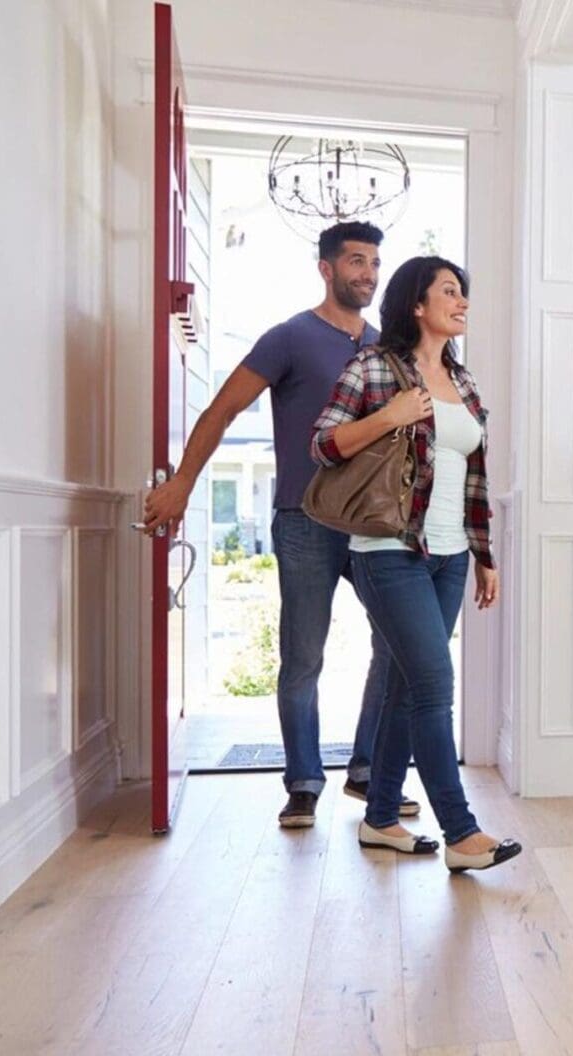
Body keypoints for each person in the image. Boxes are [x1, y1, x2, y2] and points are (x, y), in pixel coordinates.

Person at [142, 220, 419, 829]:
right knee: (302, 656)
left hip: (375, 526)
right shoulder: (289, 338)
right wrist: (183, 482)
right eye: (355, 261)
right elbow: (220, 410)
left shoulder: (384, 348)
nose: (367, 274)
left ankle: (369, 770)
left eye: (374, 263)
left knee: (397, 646)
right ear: (327, 268)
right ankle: (302, 782)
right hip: (305, 519)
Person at [310, 255, 521, 872]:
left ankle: (379, 820)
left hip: (451, 556)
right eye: (450, 292)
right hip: (389, 552)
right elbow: (321, 443)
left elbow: (475, 477)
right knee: (433, 687)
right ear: (417, 305)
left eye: (465, 293)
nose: (462, 303)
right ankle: (461, 833)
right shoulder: (373, 368)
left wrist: (485, 557)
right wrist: (389, 415)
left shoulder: (466, 381)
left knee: (405, 687)